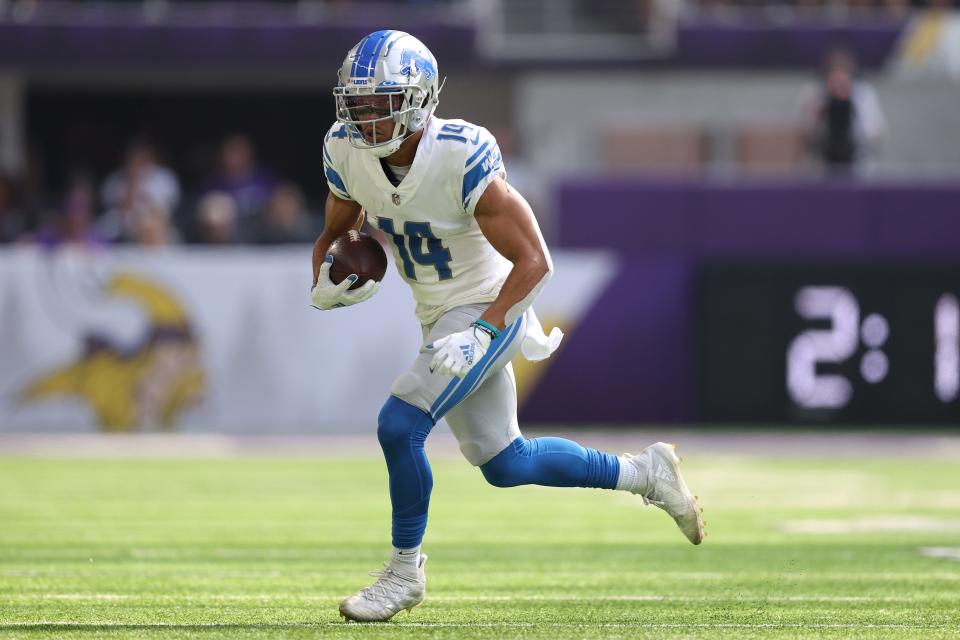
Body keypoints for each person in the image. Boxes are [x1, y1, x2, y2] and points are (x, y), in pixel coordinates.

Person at [311, 30, 705, 623]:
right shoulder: (344, 150)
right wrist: (325, 277)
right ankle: (646, 474)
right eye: (358, 102)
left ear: (418, 99)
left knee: (400, 424)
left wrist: (484, 330)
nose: (365, 117)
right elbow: (340, 231)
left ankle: (403, 571)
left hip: (489, 307)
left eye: (380, 101)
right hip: (439, 318)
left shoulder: (458, 153)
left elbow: (535, 262)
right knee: (506, 464)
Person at [798, 49, 888, 175]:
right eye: (834, 70)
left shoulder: (863, 94)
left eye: (843, 69)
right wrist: (820, 110)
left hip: (857, 160)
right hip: (823, 161)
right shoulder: (816, 93)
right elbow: (806, 130)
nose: (838, 75)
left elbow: (874, 130)